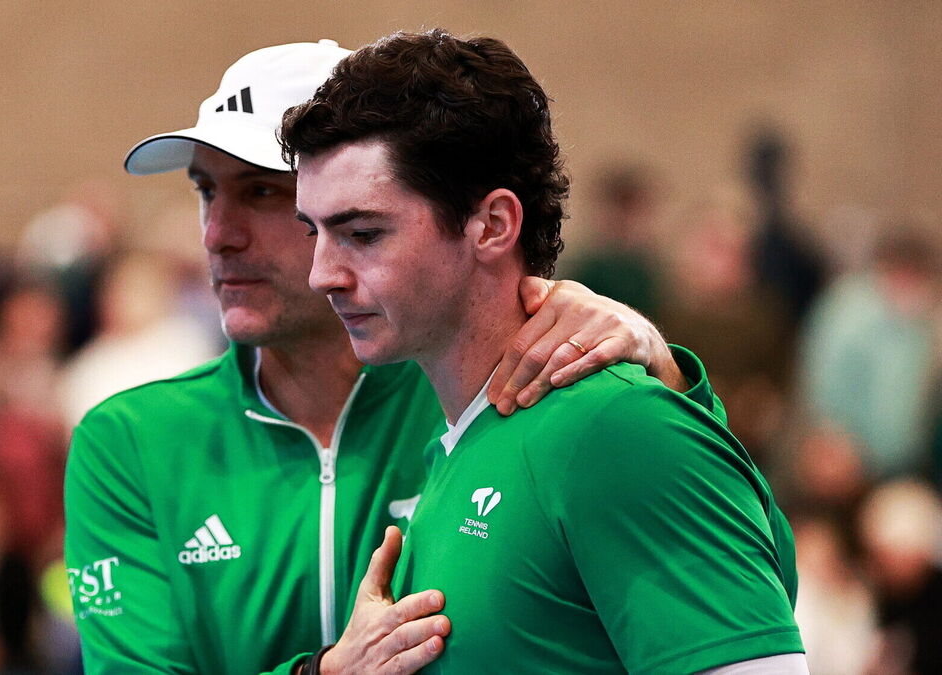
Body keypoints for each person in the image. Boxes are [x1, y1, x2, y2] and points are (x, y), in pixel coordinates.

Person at [65, 39, 723, 675]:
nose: (216, 234)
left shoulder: (492, 389)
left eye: (262, 192)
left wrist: (659, 369)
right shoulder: (129, 440)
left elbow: (728, 575)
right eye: (206, 191)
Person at [283, 29, 804, 672]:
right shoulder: (461, 439)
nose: (321, 274)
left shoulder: (615, 427)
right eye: (314, 233)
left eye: (362, 233)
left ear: (493, 225)